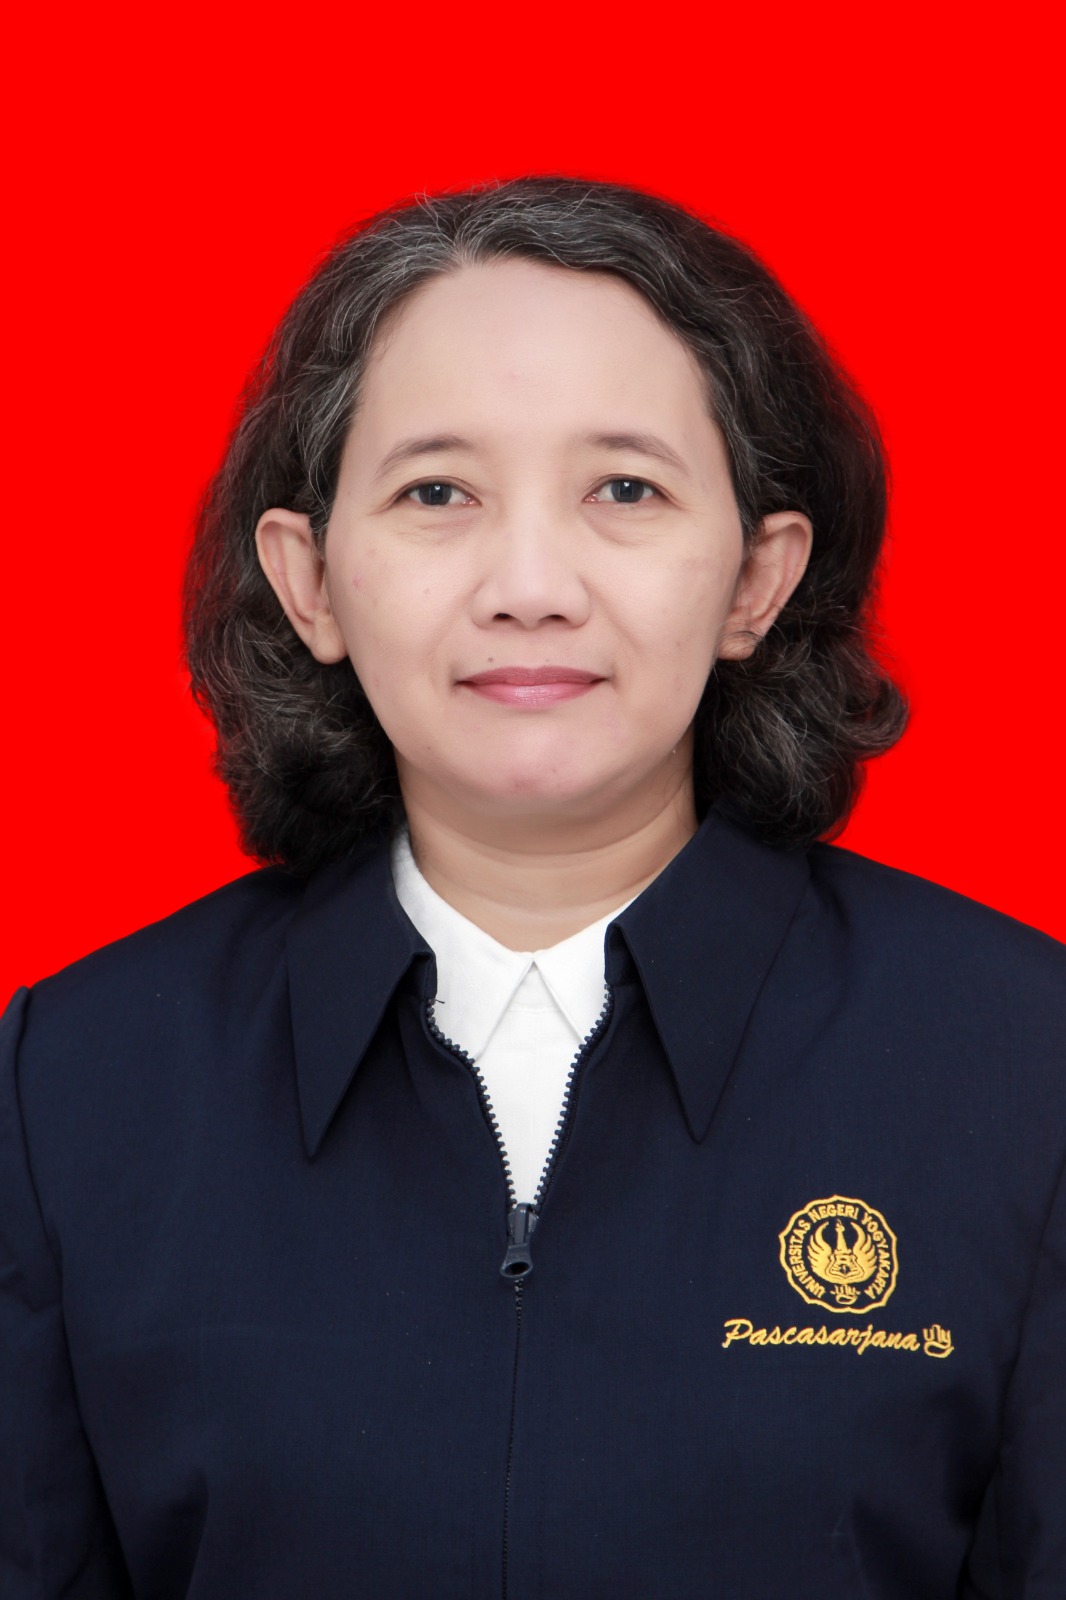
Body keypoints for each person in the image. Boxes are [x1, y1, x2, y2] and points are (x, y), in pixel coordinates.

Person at [2, 175, 1063, 1599]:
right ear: (311, 580)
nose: (528, 584)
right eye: (436, 493)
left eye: (624, 489)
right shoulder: (75, 1082)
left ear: (755, 578)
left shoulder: (1022, 1062)